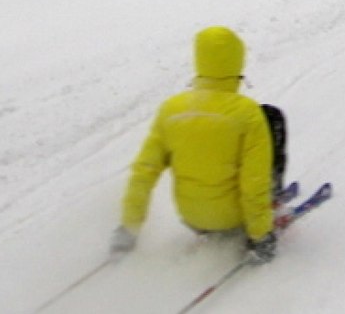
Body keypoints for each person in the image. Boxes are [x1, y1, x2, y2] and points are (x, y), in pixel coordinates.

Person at [109, 26, 287, 265]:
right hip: (234, 220)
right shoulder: (249, 115)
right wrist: (260, 236)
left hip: (192, 218)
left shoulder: (171, 110)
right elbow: (253, 181)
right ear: (237, 62)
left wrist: (129, 227)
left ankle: (209, 224)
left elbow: (144, 171)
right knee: (272, 117)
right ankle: (272, 203)